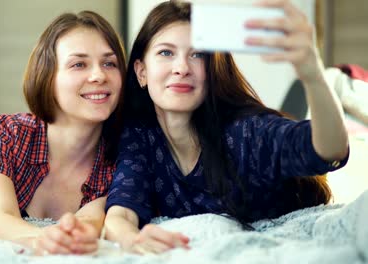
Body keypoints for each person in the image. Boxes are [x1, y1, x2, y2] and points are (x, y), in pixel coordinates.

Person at [104, 0, 349, 254]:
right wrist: (131, 239)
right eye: (166, 53)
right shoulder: (140, 136)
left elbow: (330, 150)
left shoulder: (243, 131)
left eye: (197, 54)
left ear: (213, 70)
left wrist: (313, 74)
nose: (181, 68)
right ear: (141, 72)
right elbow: (121, 210)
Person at [0, 11, 126, 255]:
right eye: (79, 64)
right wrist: (45, 241)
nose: (99, 75)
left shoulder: (125, 157)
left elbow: (90, 220)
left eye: (109, 63)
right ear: (47, 76)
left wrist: (75, 237)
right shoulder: (1, 134)